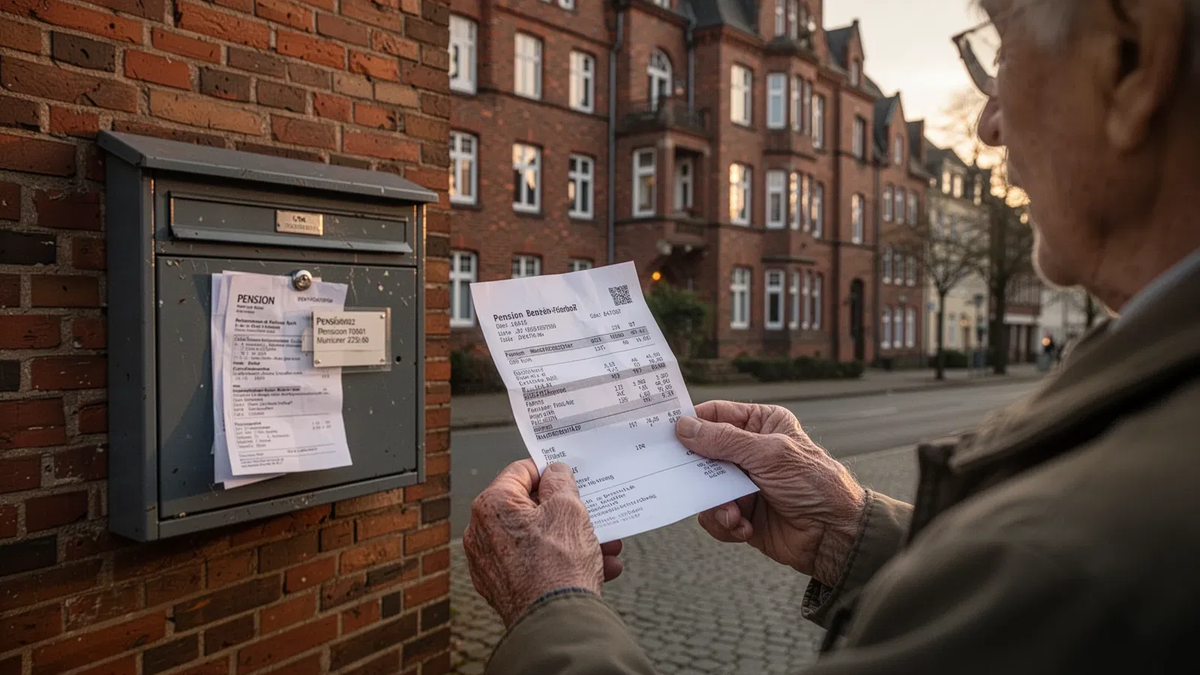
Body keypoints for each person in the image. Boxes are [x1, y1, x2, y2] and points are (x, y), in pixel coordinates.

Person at [463, 0, 1200, 671]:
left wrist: (550, 609)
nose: (988, 120)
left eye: (1002, 51)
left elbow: (1035, 584)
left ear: (1134, 62)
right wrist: (850, 531)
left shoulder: (1078, 545)